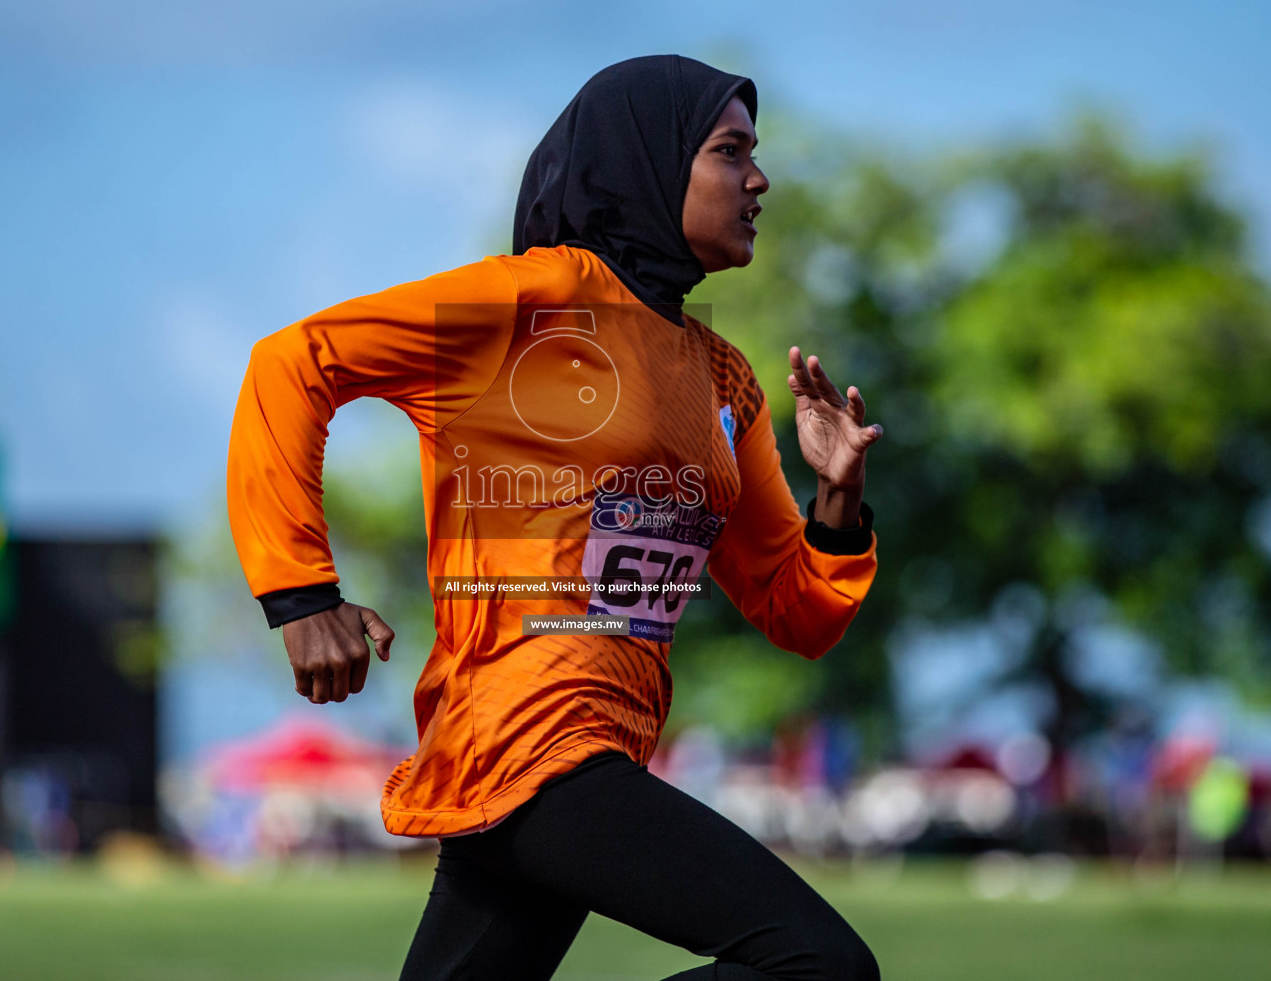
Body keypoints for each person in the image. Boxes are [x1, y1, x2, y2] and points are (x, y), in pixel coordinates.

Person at [227, 55, 883, 981]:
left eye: (754, 154)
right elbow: (292, 362)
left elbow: (798, 608)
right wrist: (300, 594)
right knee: (816, 966)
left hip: (582, 759)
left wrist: (839, 496)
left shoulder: (725, 378)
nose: (759, 179)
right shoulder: (531, 299)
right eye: (731, 152)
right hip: (533, 744)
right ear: (647, 164)